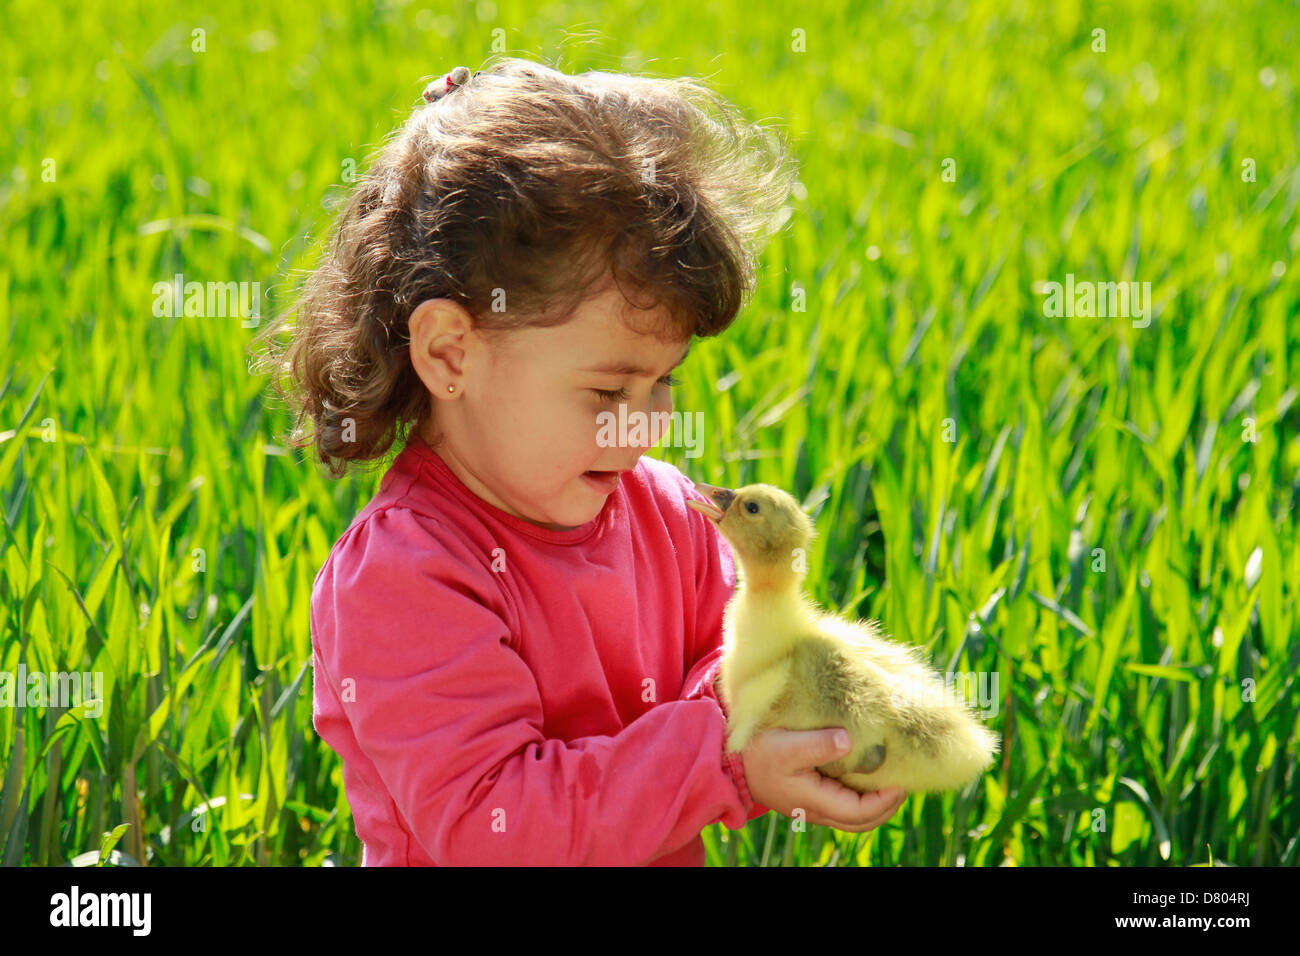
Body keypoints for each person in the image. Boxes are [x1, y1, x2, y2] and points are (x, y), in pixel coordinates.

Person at [254, 56, 905, 865]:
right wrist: (728, 757)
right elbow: (496, 824)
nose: (641, 432)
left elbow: (735, 654)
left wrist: (787, 711)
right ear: (451, 354)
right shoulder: (406, 577)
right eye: (605, 394)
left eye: (662, 381)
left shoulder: (666, 514)